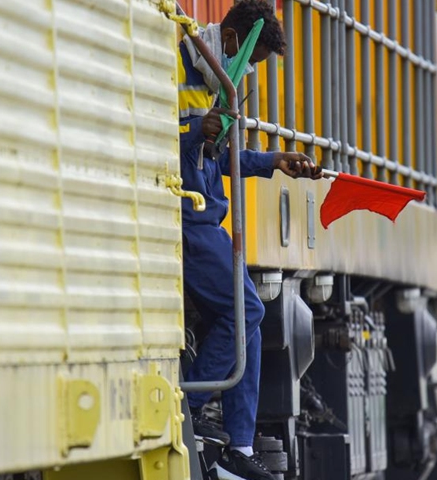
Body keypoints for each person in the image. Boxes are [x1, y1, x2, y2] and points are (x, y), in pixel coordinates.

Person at [177, 1, 322, 479]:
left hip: (206, 220)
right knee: (250, 310)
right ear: (235, 41)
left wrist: (274, 160)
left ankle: (238, 448)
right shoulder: (179, 64)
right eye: (255, 58)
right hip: (187, 221)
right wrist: (198, 129)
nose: (253, 70)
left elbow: (218, 159)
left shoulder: (216, 79)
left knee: (250, 324)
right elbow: (151, 135)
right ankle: (189, 405)